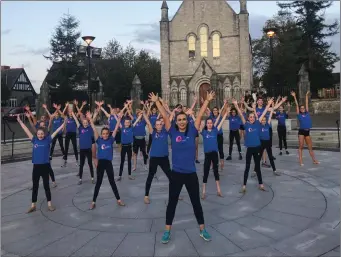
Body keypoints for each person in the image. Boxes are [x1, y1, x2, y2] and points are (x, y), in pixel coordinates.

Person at [150, 91, 213, 244]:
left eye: (184, 119)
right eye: (180, 119)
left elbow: (198, 116)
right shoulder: (171, 131)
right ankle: (167, 231)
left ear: (187, 120)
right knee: (172, 203)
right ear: (176, 121)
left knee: (196, 203)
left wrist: (207, 101)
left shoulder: (192, 130)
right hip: (177, 174)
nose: (182, 121)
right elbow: (165, 117)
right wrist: (157, 101)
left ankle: (202, 229)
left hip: (191, 174)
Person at [17, 114, 65, 213]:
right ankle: (33, 205)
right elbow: (26, 130)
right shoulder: (34, 140)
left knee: (46, 186)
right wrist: (20, 122)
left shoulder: (48, 140)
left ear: (44, 134)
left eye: (41, 134)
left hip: (45, 167)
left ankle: (49, 204)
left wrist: (64, 124)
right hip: (36, 167)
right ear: (37, 134)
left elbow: (56, 132)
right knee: (35, 186)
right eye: (38, 134)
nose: (40, 135)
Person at [233, 98, 272, 193]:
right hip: (249, 149)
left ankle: (261, 184)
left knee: (258, 167)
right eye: (250, 117)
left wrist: (269, 104)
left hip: (257, 148)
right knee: (247, 167)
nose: (251, 118)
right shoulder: (246, 125)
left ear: (255, 118)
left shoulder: (258, 124)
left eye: (253, 117)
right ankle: (244, 186)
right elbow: (241, 114)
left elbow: (264, 113)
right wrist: (236, 105)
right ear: (248, 118)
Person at [87, 112, 125, 210]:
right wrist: (90, 120)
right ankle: (93, 201)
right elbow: (94, 130)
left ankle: (119, 200)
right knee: (98, 183)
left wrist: (119, 119)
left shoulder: (111, 140)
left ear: (108, 134)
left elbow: (116, 129)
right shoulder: (99, 140)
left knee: (112, 182)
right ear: (101, 134)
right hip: (101, 164)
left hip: (108, 164)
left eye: (106, 134)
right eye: (103, 134)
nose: (105, 135)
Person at [142, 111, 171, 204]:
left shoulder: (166, 131)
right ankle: (146, 196)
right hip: (154, 158)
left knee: (171, 176)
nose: (159, 125)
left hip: (164, 158)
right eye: (157, 124)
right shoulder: (153, 132)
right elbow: (148, 122)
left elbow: (168, 120)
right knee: (150, 176)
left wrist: (171, 112)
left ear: (162, 125)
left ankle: (175, 194)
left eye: (160, 124)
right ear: (155, 126)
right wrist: (144, 114)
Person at [200, 105, 228, 200]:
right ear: (206, 124)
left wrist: (226, 113)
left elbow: (221, 119)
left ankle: (219, 190)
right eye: (208, 123)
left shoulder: (215, 130)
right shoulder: (204, 132)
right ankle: (203, 191)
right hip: (207, 155)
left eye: (211, 123)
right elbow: (198, 121)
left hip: (214, 154)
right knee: (206, 172)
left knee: (216, 171)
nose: (210, 124)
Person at [291, 91, 319, 166]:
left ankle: (314, 160)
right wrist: (294, 96)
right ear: (300, 109)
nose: (302, 109)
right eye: (301, 108)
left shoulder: (307, 113)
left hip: (307, 132)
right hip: (301, 132)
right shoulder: (299, 115)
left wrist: (306, 95)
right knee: (301, 146)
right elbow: (297, 105)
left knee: (310, 147)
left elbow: (306, 103)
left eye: (303, 108)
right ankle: (300, 161)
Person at [71, 111, 97, 185]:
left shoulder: (90, 129)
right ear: (82, 123)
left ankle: (92, 178)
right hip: (82, 150)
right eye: (84, 122)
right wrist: (72, 113)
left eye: (86, 123)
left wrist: (93, 116)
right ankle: (80, 179)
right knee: (81, 164)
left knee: (90, 164)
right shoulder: (80, 128)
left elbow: (93, 121)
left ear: (88, 123)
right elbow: (76, 120)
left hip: (88, 149)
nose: (85, 124)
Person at [259, 102, 280, 176]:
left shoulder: (268, 125)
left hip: (267, 142)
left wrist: (271, 104)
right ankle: (255, 170)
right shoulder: (259, 126)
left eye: (265, 120)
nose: (264, 121)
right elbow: (261, 115)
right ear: (261, 121)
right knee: (258, 157)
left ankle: (274, 170)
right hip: (261, 143)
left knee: (270, 157)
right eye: (262, 120)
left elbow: (271, 114)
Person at [62, 103, 79, 167]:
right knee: (66, 147)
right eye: (69, 108)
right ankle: (65, 161)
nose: (70, 109)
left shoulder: (75, 116)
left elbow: (79, 112)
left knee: (75, 147)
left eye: (71, 107)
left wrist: (77, 106)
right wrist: (66, 107)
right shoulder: (66, 117)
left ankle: (77, 160)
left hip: (73, 134)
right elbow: (62, 114)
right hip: (68, 133)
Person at [132, 107, 149, 172]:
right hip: (136, 139)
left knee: (144, 153)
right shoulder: (134, 121)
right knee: (135, 153)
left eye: (141, 114)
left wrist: (144, 112)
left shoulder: (143, 121)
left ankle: (145, 165)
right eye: (139, 114)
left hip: (142, 139)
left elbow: (146, 117)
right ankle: (134, 166)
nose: (140, 115)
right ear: (137, 115)